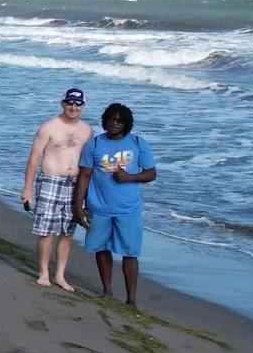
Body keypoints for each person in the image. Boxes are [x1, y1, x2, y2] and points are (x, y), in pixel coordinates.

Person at [73, 102, 157, 306]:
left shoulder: (138, 143)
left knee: (130, 253)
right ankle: (107, 291)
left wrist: (129, 177)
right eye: (111, 119)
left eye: (119, 120)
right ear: (105, 121)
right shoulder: (94, 144)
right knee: (101, 249)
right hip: (98, 207)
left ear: (126, 123)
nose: (114, 123)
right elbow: (84, 176)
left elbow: (151, 173)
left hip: (128, 210)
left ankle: (131, 299)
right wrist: (78, 206)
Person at [21, 87, 93, 291]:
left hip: (75, 185)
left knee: (67, 232)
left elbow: (90, 163)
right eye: (70, 103)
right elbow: (33, 160)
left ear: (83, 106)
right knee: (46, 231)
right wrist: (27, 190)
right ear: (63, 103)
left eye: (78, 104)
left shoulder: (87, 130)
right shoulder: (49, 127)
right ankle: (44, 273)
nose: (73, 107)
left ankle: (60, 275)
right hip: (51, 180)